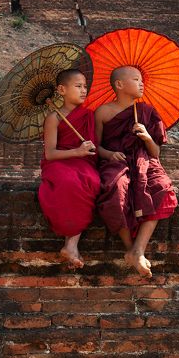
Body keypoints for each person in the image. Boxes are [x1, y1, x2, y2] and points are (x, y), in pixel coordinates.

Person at [95, 66, 178, 277]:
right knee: (117, 189)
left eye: (142, 80)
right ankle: (129, 246)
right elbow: (96, 147)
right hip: (116, 162)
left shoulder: (146, 112)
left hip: (144, 160)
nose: (142, 83)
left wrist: (146, 136)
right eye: (136, 79)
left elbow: (155, 152)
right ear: (119, 84)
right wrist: (110, 154)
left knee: (161, 186)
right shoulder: (103, 112)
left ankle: (138, 250)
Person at [38, 68, 99, 268]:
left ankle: (71, 244)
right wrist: (77, 151)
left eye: (85, 86)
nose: (84, 90)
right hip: (59, 163)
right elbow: (50, 154)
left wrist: (86, 151)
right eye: (78, 86)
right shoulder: (53, 118)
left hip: (83, 163)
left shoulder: (89, 115)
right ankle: (71, 246)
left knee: (92, 181)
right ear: (62, 90)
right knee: (69, 182)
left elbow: (96, 146)